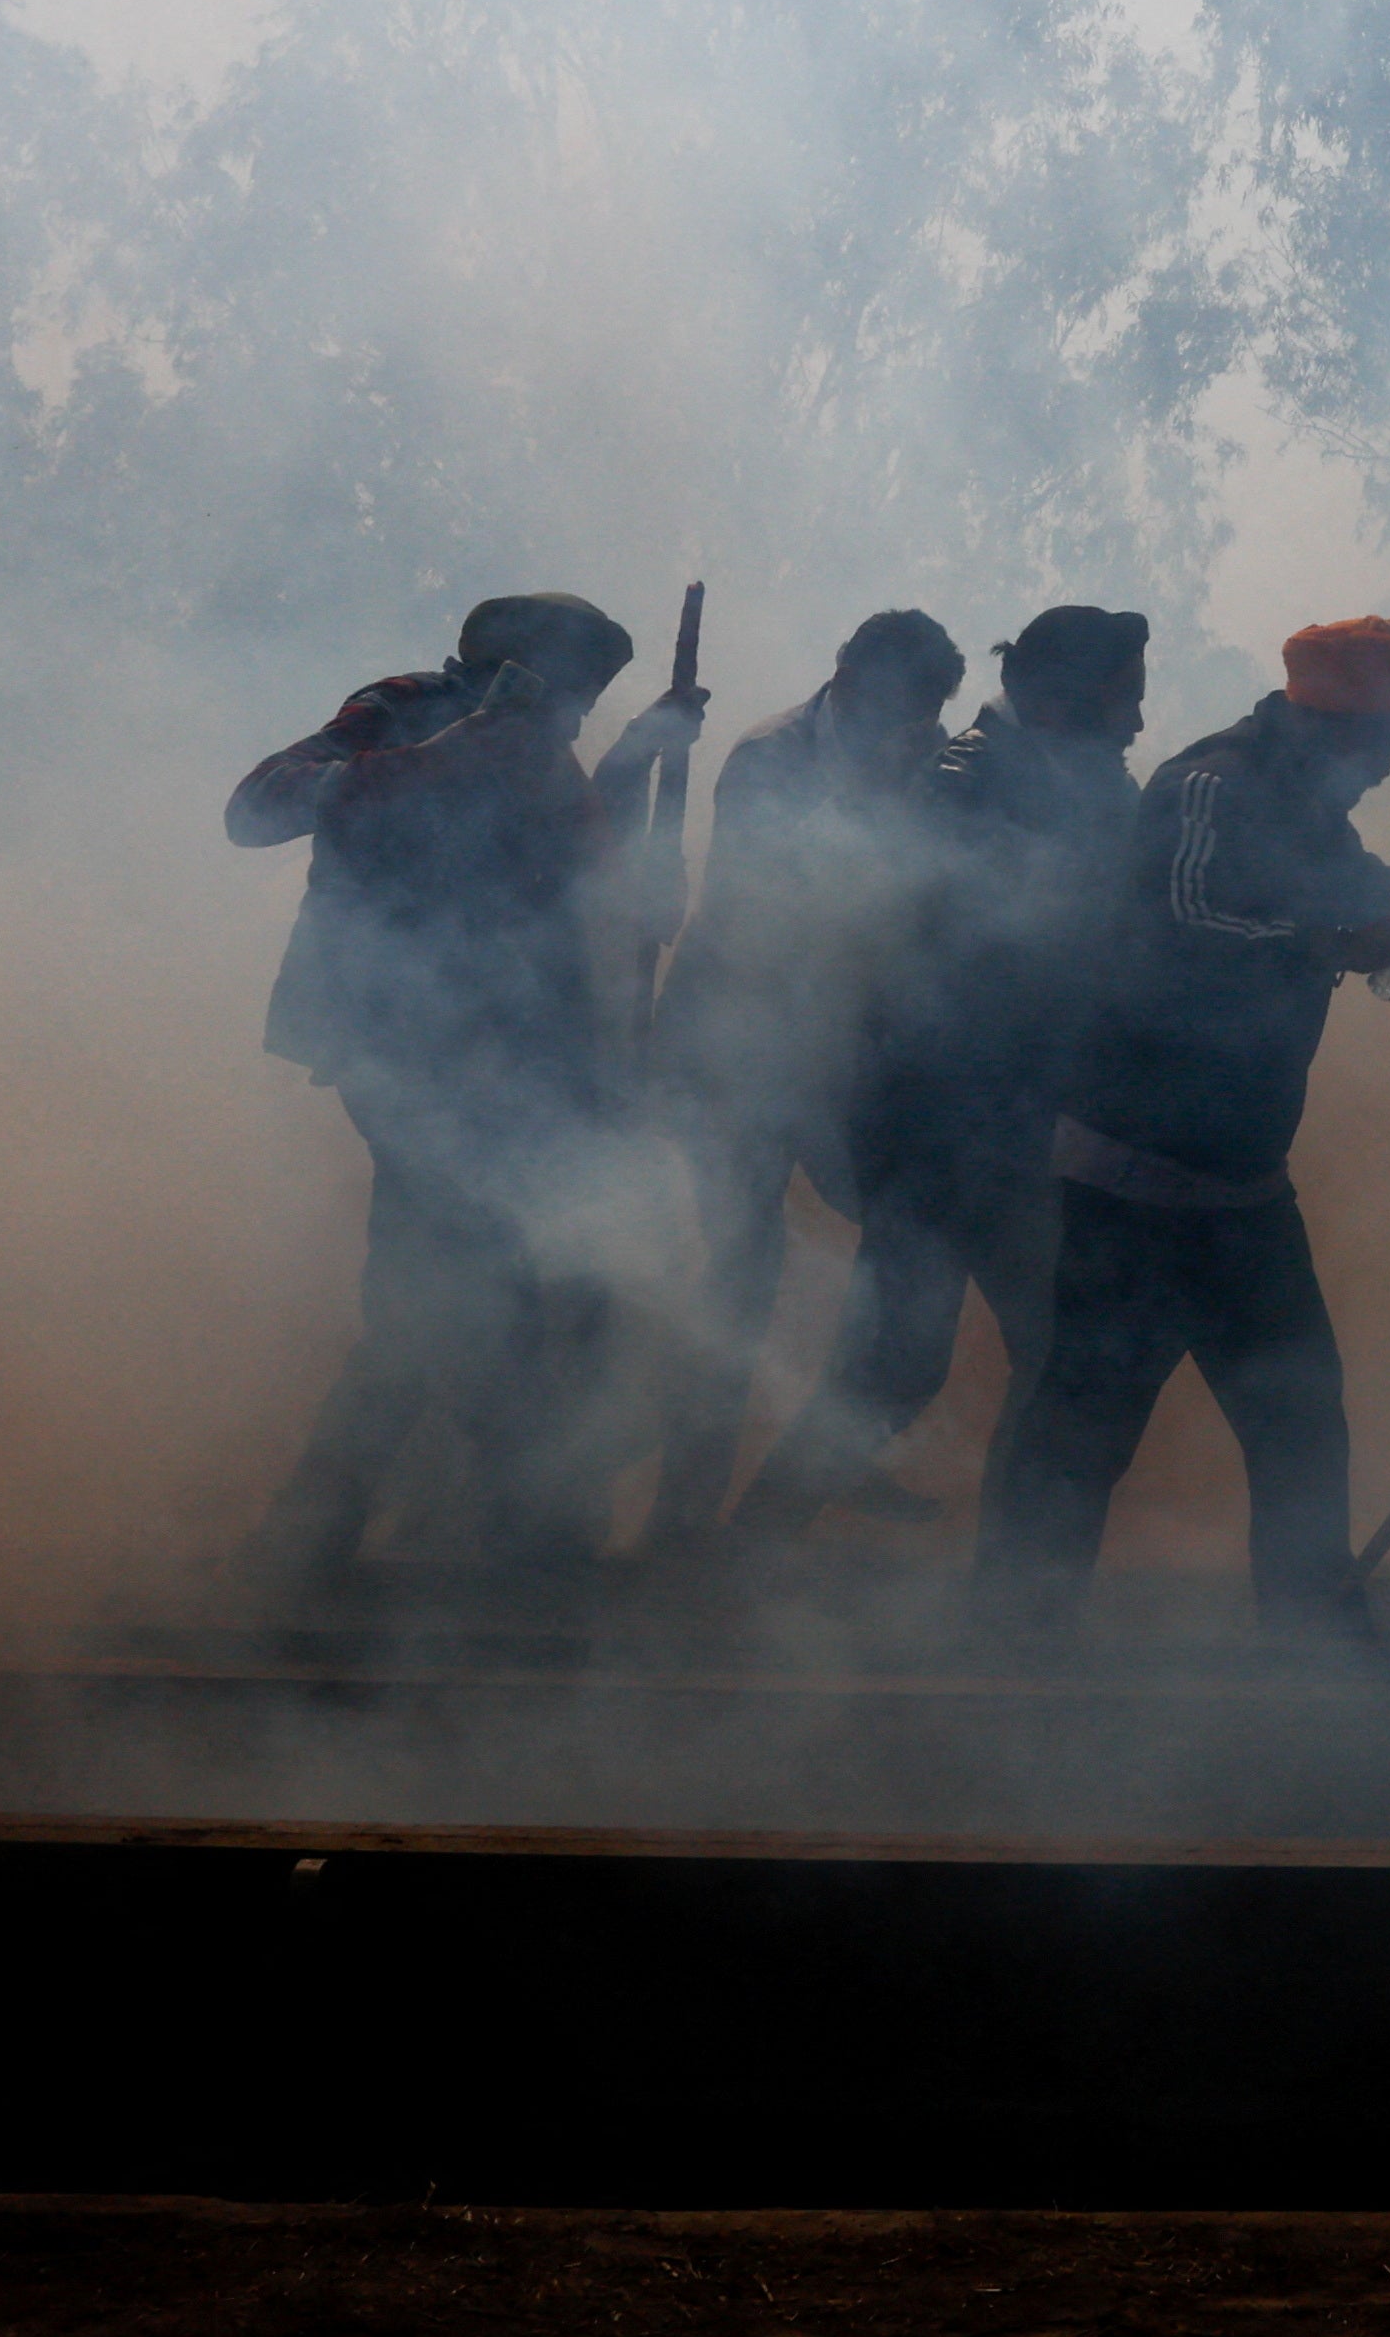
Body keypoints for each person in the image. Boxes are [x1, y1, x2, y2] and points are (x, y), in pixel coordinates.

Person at [975, 615, 1390, 1638]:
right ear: (1334, 724)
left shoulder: (1309, 799)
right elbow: (1182, 928)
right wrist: (1349, 940)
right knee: (1086, 1431)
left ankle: (1313, 1647)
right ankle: (1011, 1646)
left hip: (1238, 1184)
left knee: (1298, 1418)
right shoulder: (1212, 784)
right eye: (1383, 746)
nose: (1389, 768)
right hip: (1128, 1180)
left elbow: (1357, 885)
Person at [229, 590, 706, 1590]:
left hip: (514, 1064)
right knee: (471, 1295)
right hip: (405, 1052)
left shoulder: (536, 747)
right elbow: (259, 807)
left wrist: (642, 769)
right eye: (578, 693)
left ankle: (324, 1530)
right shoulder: (408, 708)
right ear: (514, 671)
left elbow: (569, 869)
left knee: (448, 1300)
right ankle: (522, 1531)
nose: (581, 717)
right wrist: (451, 755)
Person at [731, 602, 1153, 1542]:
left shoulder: (1068, 783)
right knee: (1014, 1355)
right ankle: (1010, 1588)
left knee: (924, 1362)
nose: (1135, 723)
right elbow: (949, 967)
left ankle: (761, 1544)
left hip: (992, 1126)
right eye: (1121, 701)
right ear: (1055, 702)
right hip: (950, 1129)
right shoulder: (963, 788)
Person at [643, 607, 964, 1546]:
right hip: (731, 1051)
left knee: (907, 1241)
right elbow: (765, 900)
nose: (921, 722)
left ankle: (836, 1452)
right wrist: (879, 798)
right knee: (743, 1274)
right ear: (852, 677)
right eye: (909, 702)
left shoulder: (930, 752)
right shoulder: (770, 754)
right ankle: (681, 1513)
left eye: (932, 706)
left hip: (837, 1053)